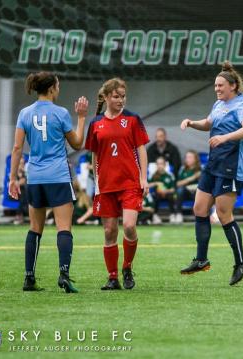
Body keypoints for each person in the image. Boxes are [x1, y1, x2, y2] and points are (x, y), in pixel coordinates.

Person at [8, 71, 87, 293]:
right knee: (64, 228)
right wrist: (81, 117)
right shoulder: (61, 113)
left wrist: (13, 179)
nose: (59, 89)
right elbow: (78, 143)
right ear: (52, 88)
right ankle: (63, 275)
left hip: (35, 178)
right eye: (58, 86)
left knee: (35, 229)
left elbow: (17, 148)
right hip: (58, 176)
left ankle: (29, 278)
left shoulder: (25, 113)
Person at [179, 61, 243, 286]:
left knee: (223, 215)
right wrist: (193, 123)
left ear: (232, 86)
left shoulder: (242, 106)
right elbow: (209, 123)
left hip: (231, 167)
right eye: (215, 86)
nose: (217, 89)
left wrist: (225, 137)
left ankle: (241, 262)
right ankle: (201, 259)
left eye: (221, 85)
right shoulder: (219, 104)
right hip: (214, 164)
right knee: (199, 208)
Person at [85, 78, 150, 290]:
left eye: (123, 96)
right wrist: (96, 180)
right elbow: (95, 154)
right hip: (106, 185)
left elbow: (141, 148)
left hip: (130, 182)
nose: (120, 100)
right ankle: (112, 277)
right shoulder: (96, 123)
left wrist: (143, 178)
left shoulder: (132, 119)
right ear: (106, 97)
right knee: (109, 231)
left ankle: (127, 267)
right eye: (116, 96)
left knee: (129, 226)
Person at [174, 150, 202, 224]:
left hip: (196, 192)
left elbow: (204, 184)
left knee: (199, 192)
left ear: (195, 159)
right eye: (186, 157)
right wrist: (192, 178)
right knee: (180, 190)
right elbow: (178, 184)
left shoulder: (200, 169)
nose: (187, 159)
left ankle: (198, 215)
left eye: (190, 157)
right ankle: (178, 214)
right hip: (185, 193)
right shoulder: (183, 169)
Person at [149, 156, 177, 224]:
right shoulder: (153, 175)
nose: (159, 166)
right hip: (157, 195)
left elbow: (173, 189)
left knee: (171, 196)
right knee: (155, 196)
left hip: (167, 194)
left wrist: (166, 191)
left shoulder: (169, 176)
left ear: (165, 165)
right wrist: (156, 183)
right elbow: (147, 185)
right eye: (158, 164)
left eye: (161, 163)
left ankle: (172, 215)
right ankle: (155, 216)